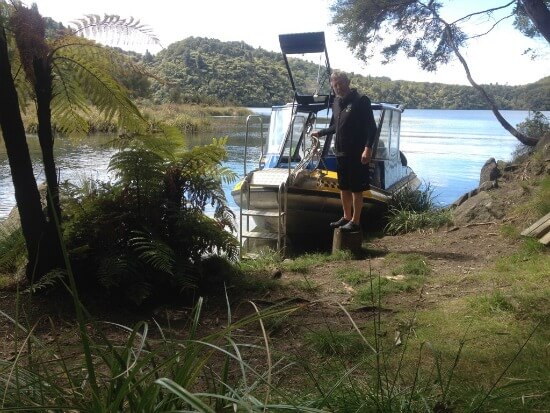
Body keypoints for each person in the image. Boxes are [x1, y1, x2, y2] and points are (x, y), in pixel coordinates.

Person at [311, 71, 377, 232]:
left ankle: (355, 221)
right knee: (344, 187)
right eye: (334, 85)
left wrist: (367, 149)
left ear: (348, 82)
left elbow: (371, 127)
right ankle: (346, 217)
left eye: (340, 83)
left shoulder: (361, 100)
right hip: (340, 152)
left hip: (357, 152)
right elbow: (336, 127)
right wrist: (321, 132)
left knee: (356, 188)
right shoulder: (336, 102)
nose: (337, 87)